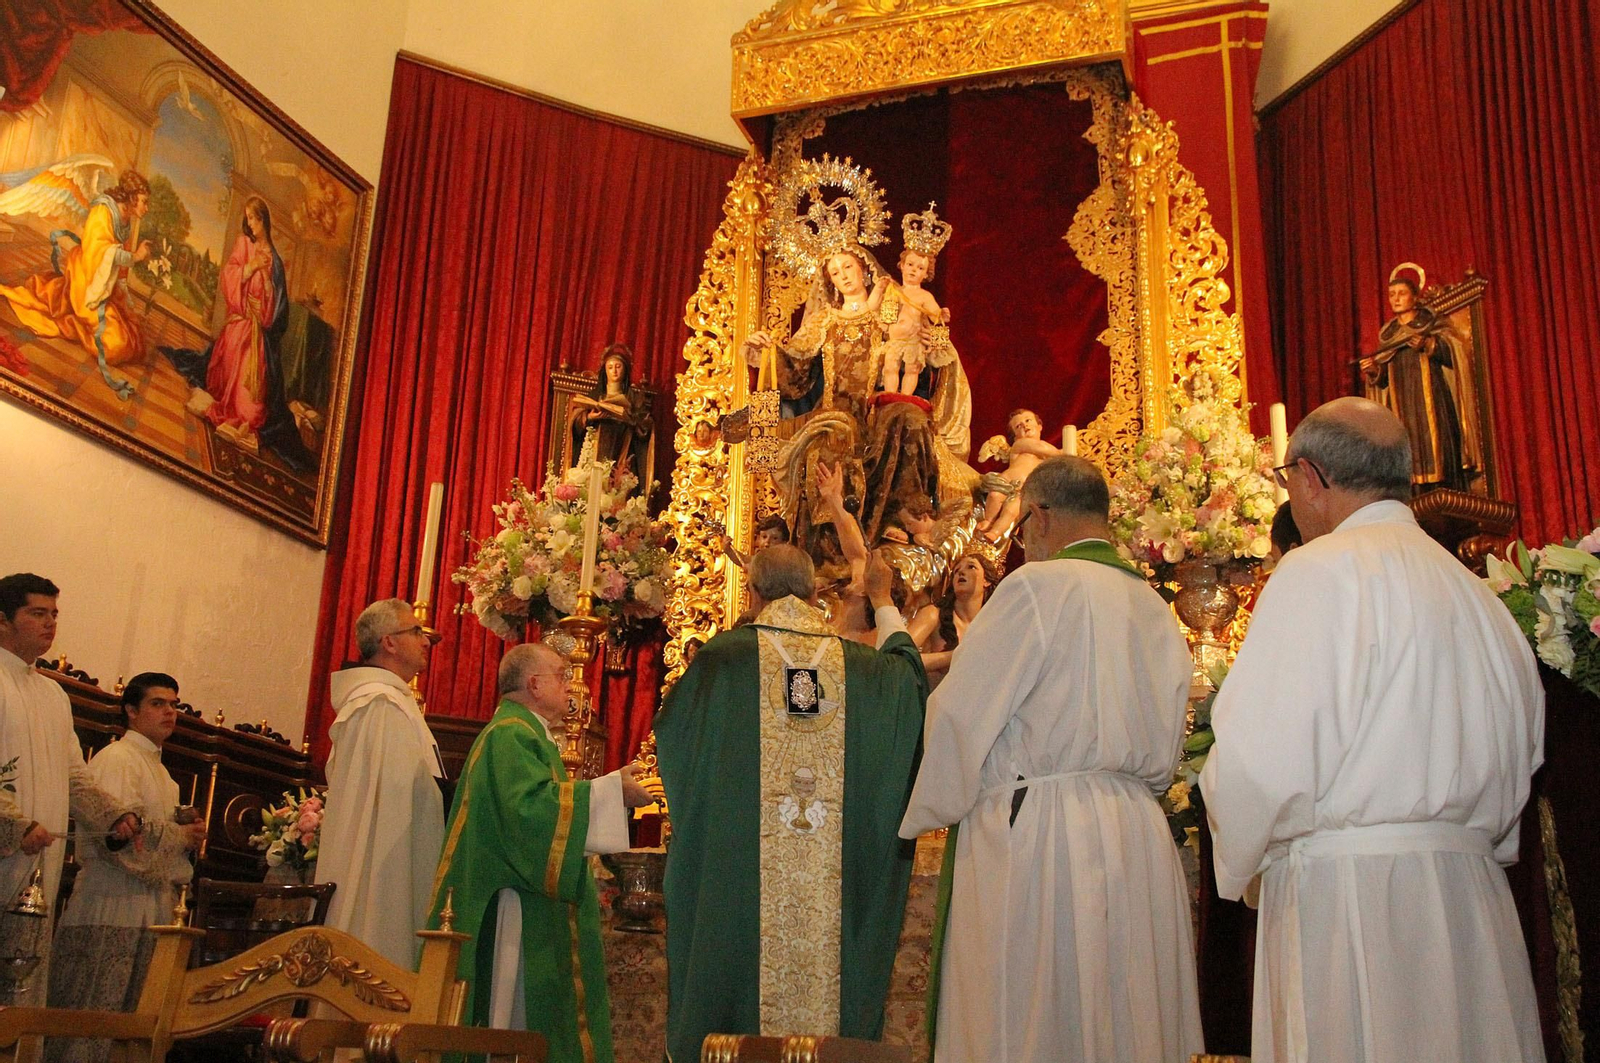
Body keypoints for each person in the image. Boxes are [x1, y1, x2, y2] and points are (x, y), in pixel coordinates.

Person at [1200, 396, 1545, 1063]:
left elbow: (1260, 762)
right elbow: (1525, 753)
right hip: (1472, 900)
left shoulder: (1317, 570)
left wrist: (1243, 860)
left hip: (1350, 898)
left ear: (1309, 477)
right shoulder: (1480, 597)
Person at [900, 457, 1203, 1063]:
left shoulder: (1035, 588)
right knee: (1128, 1013)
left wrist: (920, 807)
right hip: (1137, 832)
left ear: (1038, 517)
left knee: (1035, 1015)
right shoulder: (1153, 605)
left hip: (1043, 832)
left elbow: (961, 712)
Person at [654, 545, 928, 1063]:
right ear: (812, 592)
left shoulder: (724, 658)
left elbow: (678, 741)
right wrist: (882, 600)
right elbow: (908, 680)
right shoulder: (863, 670)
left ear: (753, 593)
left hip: (740, 875)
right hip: (834, 867)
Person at [426, 642, 653, 1061]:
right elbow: (529, 812)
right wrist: (611, 793)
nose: (570, 686)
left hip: (522, 896)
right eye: (562, 676)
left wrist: (607, 789)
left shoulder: (524, 732)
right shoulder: (511, 734)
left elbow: (545, 803)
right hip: (515, 903)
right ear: (534, 684)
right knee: (511, 1015)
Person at [46, 673, 206, 1063]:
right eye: (157, 703)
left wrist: (186, 836)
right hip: (111, 903)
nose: (169, 712)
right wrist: (180, 836)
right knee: (94, 1017)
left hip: (150, 905)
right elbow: (113, 839)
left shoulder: (163, 773)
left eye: (174, 704)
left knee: (134, 1022)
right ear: (131, 711)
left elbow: (155, 833)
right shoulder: (118, 758)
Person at [0, 573, 141, 1010]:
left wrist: (112, 815)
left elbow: (74, 776)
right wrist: (14, 825)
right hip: (8, 849)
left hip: (39, 860)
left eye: (54, 614)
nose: (50, 624)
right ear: (3, 619)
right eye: (37, 613)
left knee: (23, 985)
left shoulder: (53, 695)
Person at [314, 598, 447, 971]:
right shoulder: (379, 704)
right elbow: (393, 799)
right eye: (416, 631)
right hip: (384, 863)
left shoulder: (389, 701)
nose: (426, 640)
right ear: (389, 642)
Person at [0, 170, 152, 399]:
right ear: (132, 198)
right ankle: (73, 320)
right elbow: (97, 253)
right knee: (116, 345)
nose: (146, 208)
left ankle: (75, 321)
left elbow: (117, 264)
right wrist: (136, 257)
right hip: (86, 282)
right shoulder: (103, 211)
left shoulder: (126, 220)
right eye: (144, 201)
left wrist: (124, 293)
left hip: (103, 285)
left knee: (132, 341)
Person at [1358, 275, 1472, 491]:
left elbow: (1456, 355)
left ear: (1415, 297)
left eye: (1402, 293)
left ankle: (1442, 488)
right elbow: (1384, 378)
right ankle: (1413, 492)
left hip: (1431, 399)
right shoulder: (1389, 335)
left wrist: (1428, 344)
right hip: (1401, 405)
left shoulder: (1431, 323)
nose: (1396, 299)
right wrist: (1374, 370)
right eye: (1392, 295)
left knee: (1437, 444)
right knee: (1404, 443)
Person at [568, 343, 652, 487]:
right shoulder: (596, 395)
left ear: (625, 370)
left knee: (617, 485)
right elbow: (575, 424)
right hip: (595, 447)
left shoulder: (633, 398)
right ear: (605, 371)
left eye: (618, 367)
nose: (614, 371)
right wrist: (589, 418)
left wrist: (629, 419)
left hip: (622, 448)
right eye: (610, 367)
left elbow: (645, 426)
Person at [906, 552, 1002, 677]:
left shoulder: (993, 626)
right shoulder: (933, 614)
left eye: (971, 567)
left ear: (986, 580)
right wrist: (954, 656)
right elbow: (901, 655)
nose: (961, 572)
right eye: (956, 571)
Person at [975, 409, 1061, 542]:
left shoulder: (1046, 461)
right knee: (995, 496)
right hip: (1006, 481)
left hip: (1022, 491)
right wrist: (1064, 453)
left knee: (1011, 511)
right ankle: (988, 520)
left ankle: (995, 532)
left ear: (1039, 426)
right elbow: (1041, 447)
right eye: (1018, 426)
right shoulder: (1020, 444)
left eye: (1028, 420)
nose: (1024, 425)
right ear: (1015, 437)